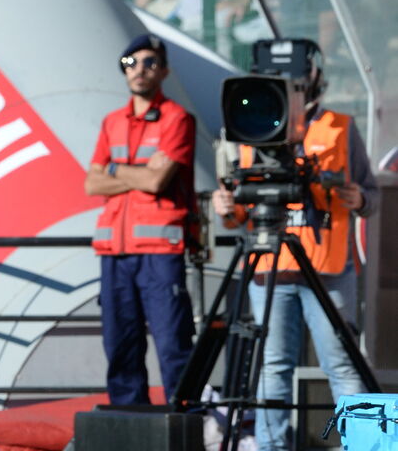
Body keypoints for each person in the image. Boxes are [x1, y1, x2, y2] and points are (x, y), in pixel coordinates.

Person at [212, 43, 379, 451]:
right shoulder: (248, 128)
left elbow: (372, 197)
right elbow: (237, 213)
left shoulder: (341, 126)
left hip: (329, 267)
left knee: (344, 363)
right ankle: (270, 447)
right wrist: (225, 209)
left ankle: (373, 447)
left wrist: (359, 199)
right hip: (270, 265)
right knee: (272, 368)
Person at [83, 34, 197, 405]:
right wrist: (137, 173)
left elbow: (156, 180)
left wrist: (116, 171)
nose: (140, 70)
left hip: (160, 251)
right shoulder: (112, 122)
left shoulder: (177, 118)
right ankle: (127, 428)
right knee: (120, 346)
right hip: (115, 251)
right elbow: (91, 182)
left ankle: (183, 427)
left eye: (150, 63)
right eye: (132, 63)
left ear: (163, 71)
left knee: (172, 346)